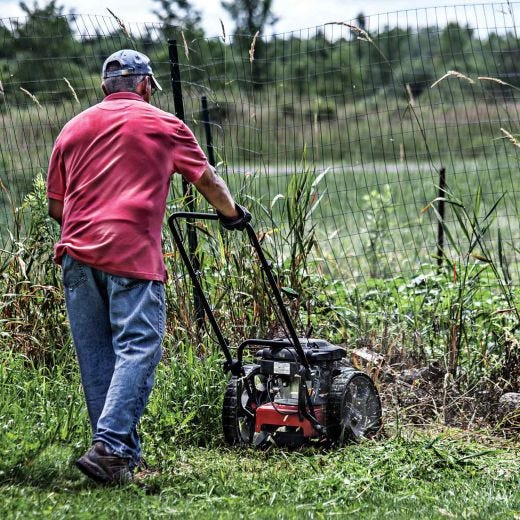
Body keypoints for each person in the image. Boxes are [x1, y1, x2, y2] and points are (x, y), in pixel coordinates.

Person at [46, 49, 251, 484]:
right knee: (139, 348)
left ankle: (119, 460)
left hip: (77, 258)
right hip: (132, 256)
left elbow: (55, 206)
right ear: (145, 86)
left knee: (98, 358)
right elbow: (208, 180)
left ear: (105, 88)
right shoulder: (165, 125)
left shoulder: (73, 128)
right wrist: (232, 215)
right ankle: (112, 446)